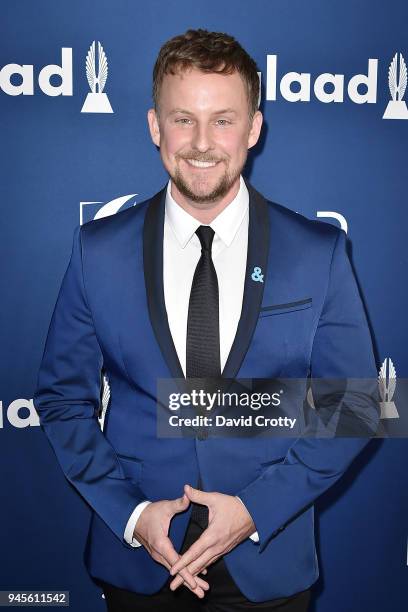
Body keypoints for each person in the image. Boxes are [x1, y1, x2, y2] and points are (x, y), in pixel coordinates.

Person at [33, 28, 379, 611]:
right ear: (154, 127)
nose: (201, 142)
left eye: (222, 119)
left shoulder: (318, 251)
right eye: (182, 118)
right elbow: (63, 399)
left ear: (253, 128)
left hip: (267, 559)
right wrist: (133, 514)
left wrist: (254, 511)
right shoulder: (98, 250)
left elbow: (357, 406)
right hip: (141, 559)